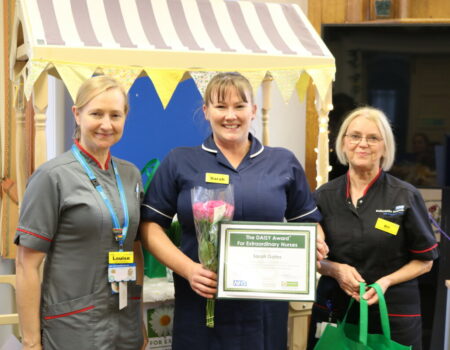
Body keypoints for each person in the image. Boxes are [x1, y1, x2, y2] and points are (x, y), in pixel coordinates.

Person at [140, 72, 328, 349]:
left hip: (263, 310)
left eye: (239, 106)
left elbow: (308, 221)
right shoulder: (180, 161)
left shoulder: (282, 162)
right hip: (201, 304)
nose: (231, 116)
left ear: (253, 110)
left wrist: (316, 242)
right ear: (206, 111)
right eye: (220, 106)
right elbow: (150, 226)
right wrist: (189, 269)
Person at [15, 76, 147, 350]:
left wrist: (138, 318)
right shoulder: (52, 177)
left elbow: (134, 248)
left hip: (124, 323)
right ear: (77, 114)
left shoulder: (131, 174)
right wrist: (30, 343)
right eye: (96, 113)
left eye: (115, 115)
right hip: (72, 327)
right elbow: (26, 266)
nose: (106, 124)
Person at [307, 107, 439, 350]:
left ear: (385, 147)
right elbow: (309, 256)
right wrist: (335, 269)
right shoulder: (322, 197)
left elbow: (425, 261)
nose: (362, 144)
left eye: (373, 138)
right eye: (354, 136)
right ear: (343, 143)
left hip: (393, 315)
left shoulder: (405, 196)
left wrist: (386, 281)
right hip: (335, 310)